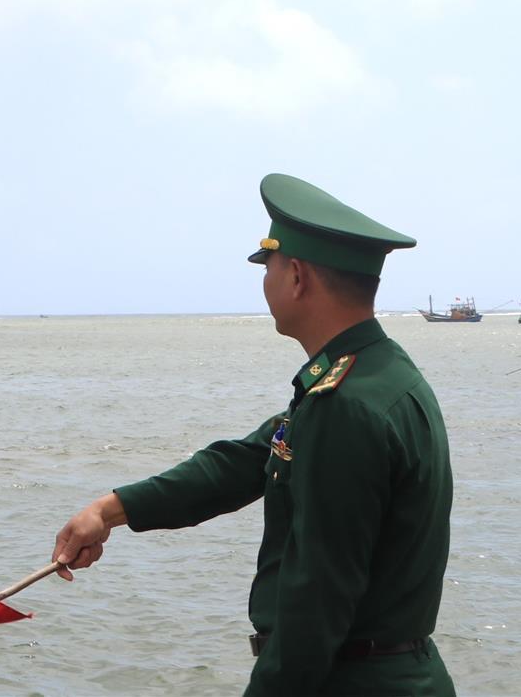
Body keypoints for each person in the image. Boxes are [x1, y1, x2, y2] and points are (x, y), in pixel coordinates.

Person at [51, 173, 454, 696]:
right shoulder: (375, 375)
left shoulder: (346, 406)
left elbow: (317, 603)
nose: (264, 282)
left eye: (269, 267)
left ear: (297, 277)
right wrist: (108, 511)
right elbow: (242, 462)